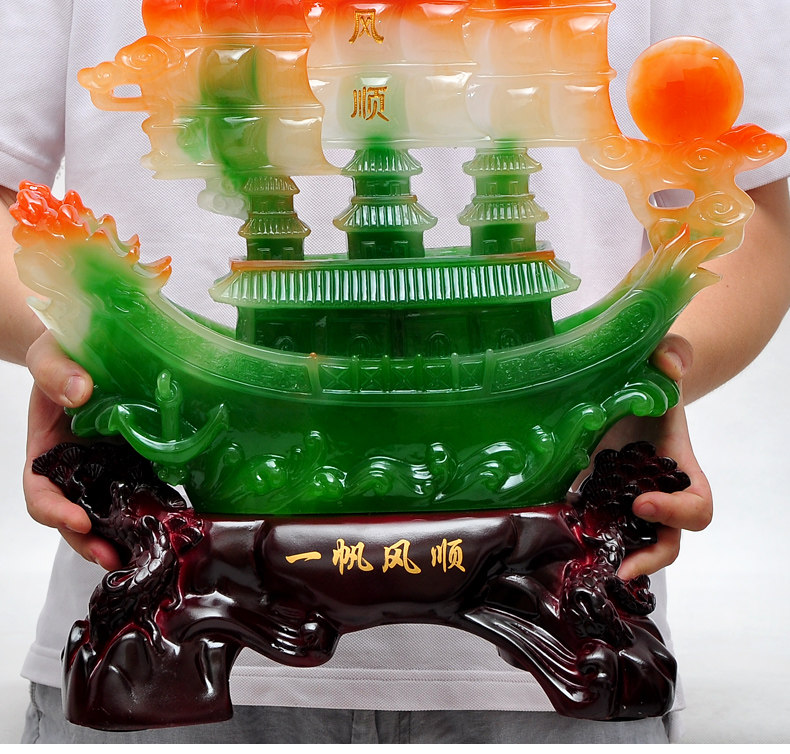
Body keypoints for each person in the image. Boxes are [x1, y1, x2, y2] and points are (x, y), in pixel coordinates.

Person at [1, 0, 789, 744]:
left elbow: (764, 212)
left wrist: (661, 370)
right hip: (165, 655)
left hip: (552, 665)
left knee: (488, 205)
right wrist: (75, 343)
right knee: (285, 236)